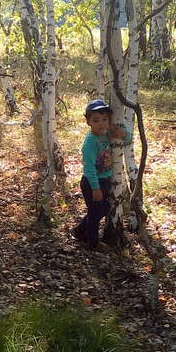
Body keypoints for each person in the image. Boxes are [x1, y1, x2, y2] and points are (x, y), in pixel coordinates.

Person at [72, 99, 132, 250]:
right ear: (88, 122)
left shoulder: (107, 134)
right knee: (95, 212)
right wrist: (95, 188)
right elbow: (89, 168)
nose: (101, 124)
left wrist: (124, 133)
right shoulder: (90, 143)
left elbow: (128, 139)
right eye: (96, 120)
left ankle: (80, 231)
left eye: (105, 119)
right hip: (92, 182)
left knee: (103, 209)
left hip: (105, 180)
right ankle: (93, 242)